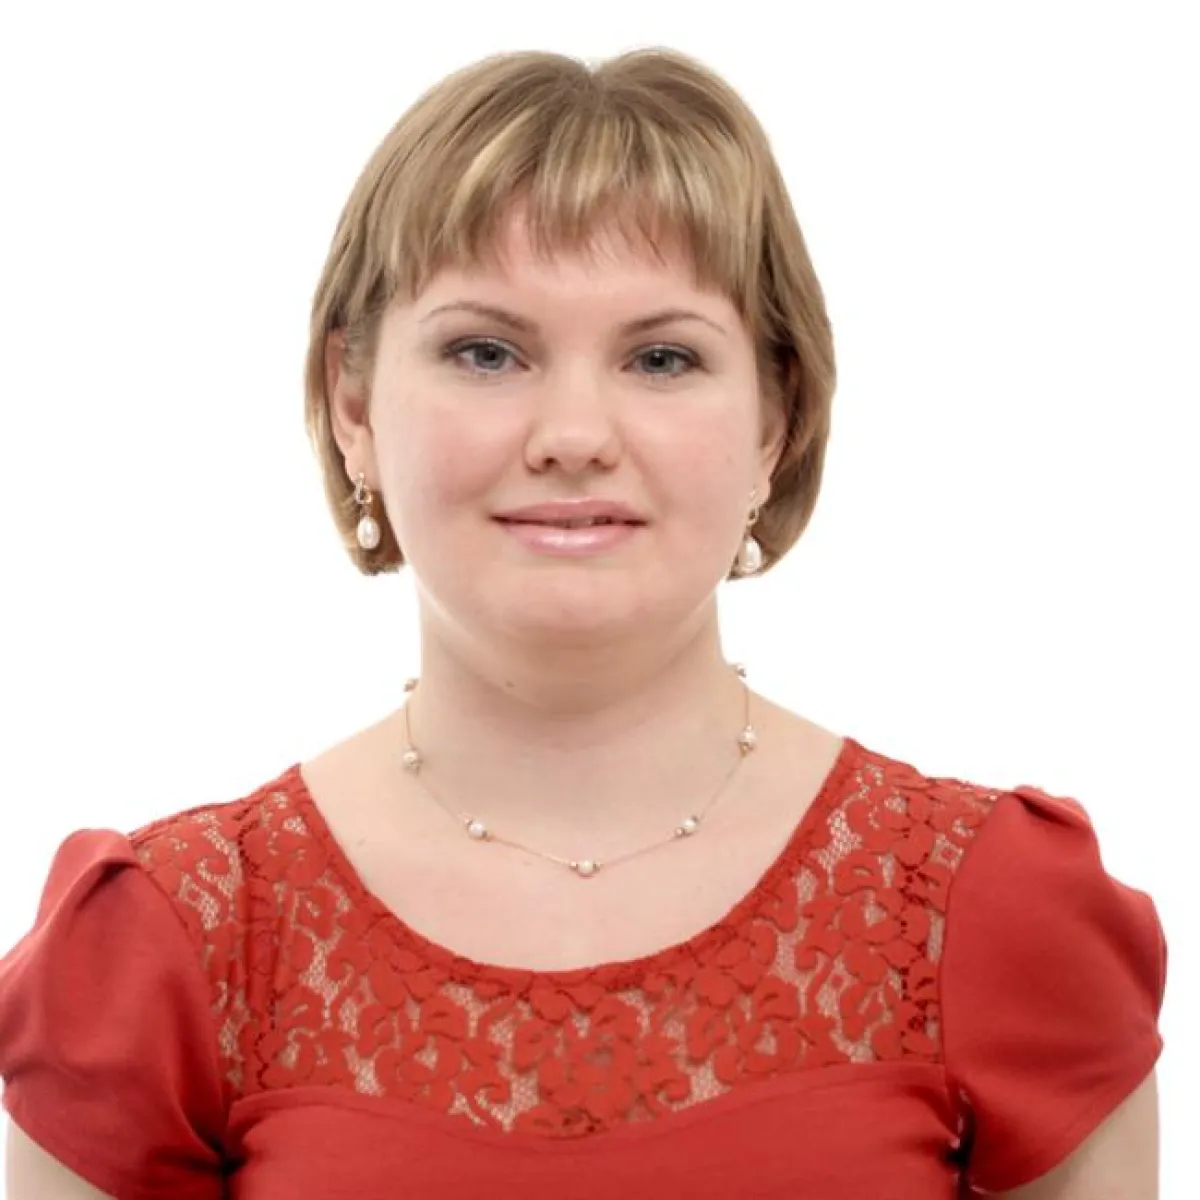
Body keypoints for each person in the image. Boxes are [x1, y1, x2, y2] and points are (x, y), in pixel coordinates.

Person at [0, 46, 1165, 1199]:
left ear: (776, 419)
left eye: (661, 357)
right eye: (486, 352)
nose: (572, 434)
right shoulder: (169, 942)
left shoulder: (993, 914)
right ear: (353, 405)